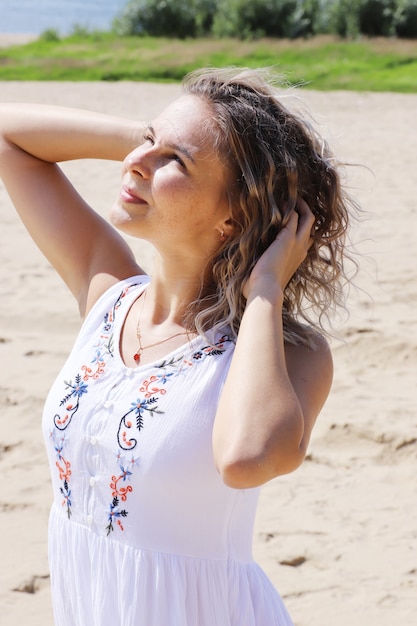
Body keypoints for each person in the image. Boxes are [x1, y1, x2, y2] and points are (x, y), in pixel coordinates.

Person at [0, 68, 354, 625]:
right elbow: (7, 135)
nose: (137, 164)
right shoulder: (109, 296)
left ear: (233, 214)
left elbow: (248, 458)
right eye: (147, 144)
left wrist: (264, 289)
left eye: (177, 163)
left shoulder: (287, 352)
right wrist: (156, 141)